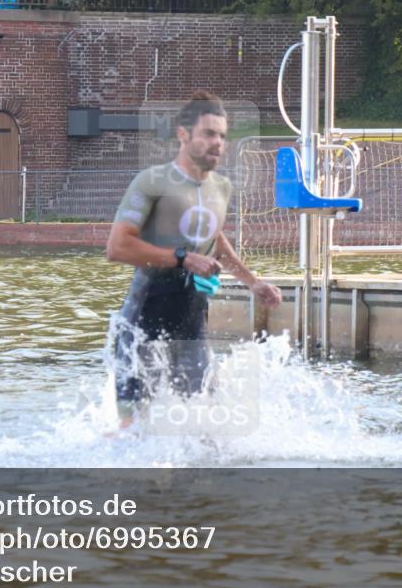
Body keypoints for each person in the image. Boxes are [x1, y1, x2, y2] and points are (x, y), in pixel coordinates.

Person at [105, 91, 282, 429]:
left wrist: (252, 282)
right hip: (144, 319)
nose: (218, 143)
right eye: (209, 134)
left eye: (223, 136)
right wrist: (182, 258)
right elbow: (117, 247)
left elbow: (214, 238)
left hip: (191, 320)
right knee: (132, 432)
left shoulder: (222, 187)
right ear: (184, 135)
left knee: (208, 425)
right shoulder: (152, 182)